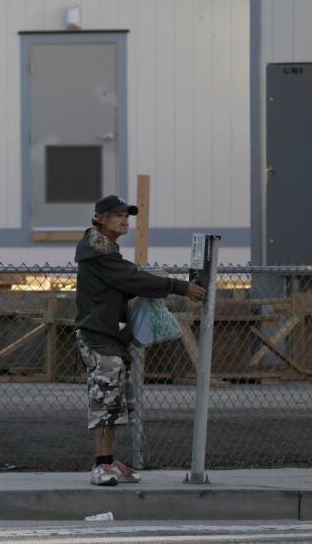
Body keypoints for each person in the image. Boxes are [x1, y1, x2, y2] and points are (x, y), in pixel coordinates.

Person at [75, 194, 207, 487]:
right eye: (117, 215)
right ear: (100, 218)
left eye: (127, 215)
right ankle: (100, 467)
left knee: (117, 403)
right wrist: (178, 286)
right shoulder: (98, 252)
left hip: (110, 337)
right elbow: (132, 279)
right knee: (106, 402)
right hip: (99, 338)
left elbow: (129, 279)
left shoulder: (105, 250)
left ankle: (108, 462)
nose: (124, 220)